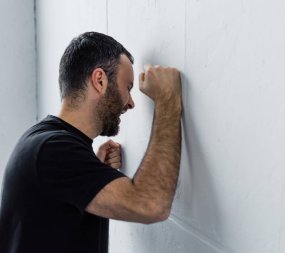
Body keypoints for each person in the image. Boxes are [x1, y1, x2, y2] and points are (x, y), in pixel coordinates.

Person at [0, 31, 182, 253]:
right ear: (100, 80)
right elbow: (151, 205)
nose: (131, 103)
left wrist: (94, 172)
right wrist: (167, 100)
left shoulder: (44, 142)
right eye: (128, 87)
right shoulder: (53, 151)